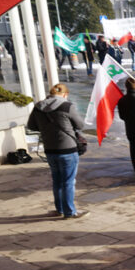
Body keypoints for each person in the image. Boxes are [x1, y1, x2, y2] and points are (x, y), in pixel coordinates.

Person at [26, 84, 88, 219]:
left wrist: (46, 127)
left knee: (57, 180)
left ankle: (59, 209)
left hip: (49, 148)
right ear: (65, 94)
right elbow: (80, 125)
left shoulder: (38, 106)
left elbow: (31, 126)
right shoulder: (67, 106)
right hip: (67, 149)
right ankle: (70, 212)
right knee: (68, 182)